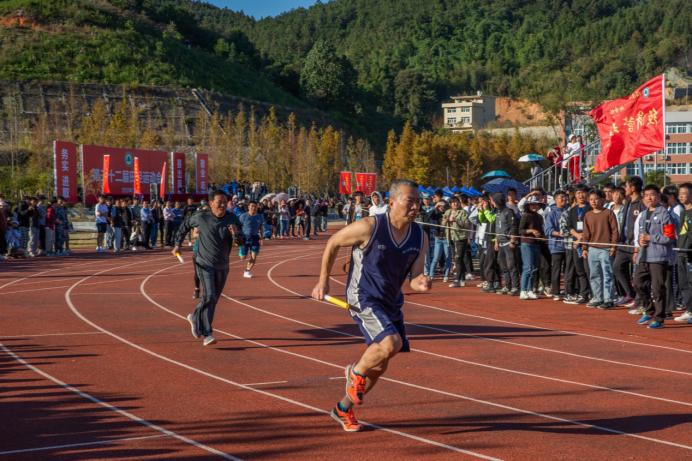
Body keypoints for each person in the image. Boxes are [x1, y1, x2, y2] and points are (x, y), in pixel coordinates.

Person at [311, 179, 431, 432]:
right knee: (390, 343)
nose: (415, 207)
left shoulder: (420, 236)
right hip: (362, 295)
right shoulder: (369, 226)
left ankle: (342, 408)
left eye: (418, 202)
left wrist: (421, 282)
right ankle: (355, 372)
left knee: (380, 364)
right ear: (391, 202)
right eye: (410, 201)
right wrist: (323, 281)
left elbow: (415, 277)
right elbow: (333, 243)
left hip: (391, 302)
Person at [174, 191, 241, 346]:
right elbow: (185, 225)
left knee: (212, 299)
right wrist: (177, 244)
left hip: (223, 264)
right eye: (219, 202)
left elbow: (241, 242)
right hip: (204, 263)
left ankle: (195, 317)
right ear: (211, 203)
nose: (223, 205)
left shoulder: (232, 218)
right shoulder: (201, 217)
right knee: (209, 296)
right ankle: (207, 333)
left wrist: (236, 235)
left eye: (225, 202)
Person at [634, 184, 676, 329]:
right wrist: (640, 241)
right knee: (637, 283)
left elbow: (669, 237)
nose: (649, 198)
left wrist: (651, 238)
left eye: (652, 195)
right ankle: (649, 309)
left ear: (658, 196)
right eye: (646, 195)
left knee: (658, 288)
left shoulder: (664, 214)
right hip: (644, 255)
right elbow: (641, 234)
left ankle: (659, 318)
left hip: (658, 256)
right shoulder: (643, 214)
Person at [581, 190, 619, 309]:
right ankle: (598, 297)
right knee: (594, 274)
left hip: (606, 249)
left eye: (596, 199)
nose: (593, 201)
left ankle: (608, 299)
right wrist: (584, 248)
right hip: (592, 249)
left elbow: (615, 231)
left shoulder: (608, 213)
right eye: (591, 199)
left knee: (607, 274)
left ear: (602, 200)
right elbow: (586, 233)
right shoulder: (588, 215)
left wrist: (613, 246)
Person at [519, 195, 545, 300]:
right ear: (528, 205)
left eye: (536, 204)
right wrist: (531, 231)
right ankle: (523, 290)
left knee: (534, 268)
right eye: (532, 204)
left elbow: (541, 231)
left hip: (536, 244)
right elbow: (520, 230)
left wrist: (542, 237)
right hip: (527, 244)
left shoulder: (539, 217)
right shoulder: (525, 215)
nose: (534, 206)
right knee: (528, 267)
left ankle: (530, 290)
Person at [544, 190, 568, 300]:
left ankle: (568, 291)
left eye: (565, 197)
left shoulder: (569, 211)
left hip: (568, 246)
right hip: (556, 246)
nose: (563, 199)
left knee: (568, 270)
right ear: (555, 199)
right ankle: (556, 292)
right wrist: (559, 234)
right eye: (561, 197)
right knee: (556, 270)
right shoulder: (551, 213)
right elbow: (548, 230)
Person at [675, 183, 692, 324]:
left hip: (689, 253)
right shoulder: (683, 212)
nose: (681, 196)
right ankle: (689, 309)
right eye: (680, 193)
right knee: (683, 282)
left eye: (684, 193)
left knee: (690, 282)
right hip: (680, 252)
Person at [238, 200, 264, 278]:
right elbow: (238, 227)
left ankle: (247, 270)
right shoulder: (243, 216)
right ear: (248, 207)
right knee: (243, 258)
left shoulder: (260, 217)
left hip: (255, 238)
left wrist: (262, 237)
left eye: (255, 206)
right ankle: (242, 252)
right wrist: (238, 237)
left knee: (254, 257)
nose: (254, 208)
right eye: (252, 206)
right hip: (245, 238)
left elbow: (261, 227)